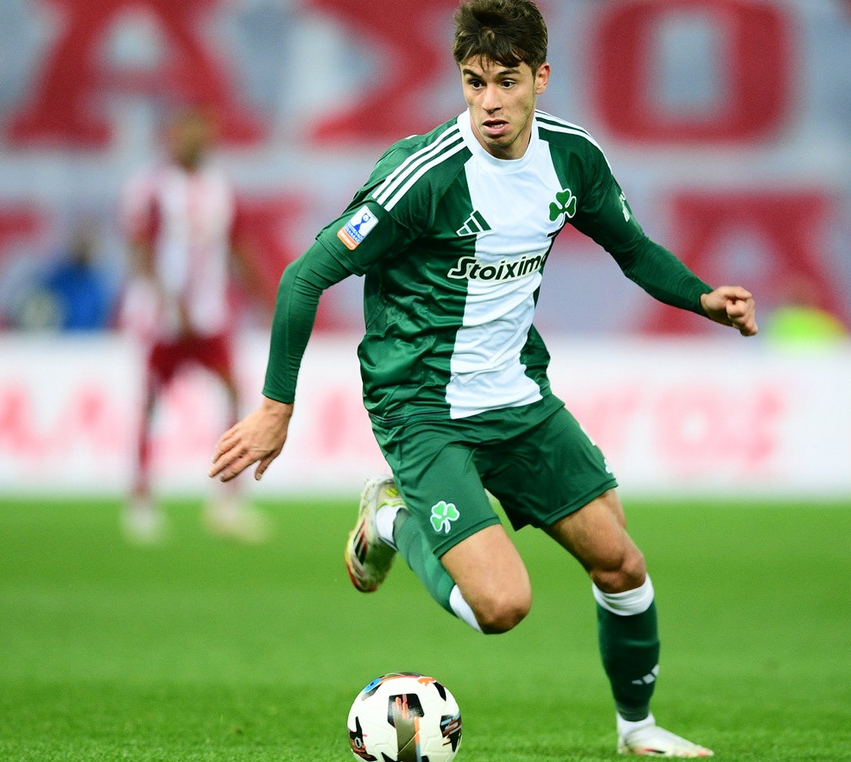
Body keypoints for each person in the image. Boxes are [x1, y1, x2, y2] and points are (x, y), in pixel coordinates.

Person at [210, 0, 756, 755]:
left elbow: (633, 250)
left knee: (620, 562)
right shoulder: (423, 177)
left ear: (541, 78)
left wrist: (702, 297)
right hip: (422, 405)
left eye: (507, 81)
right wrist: (276, 407)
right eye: (474, 82)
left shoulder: (572, 159)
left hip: (517, 397)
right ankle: (389, 519)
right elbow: (304, 277)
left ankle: (638, 729)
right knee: (502, 606)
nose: (490, 101)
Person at [120, 105, 270, 545]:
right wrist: (168, 301)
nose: (192, 141)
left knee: (233, 394)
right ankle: (141, 500)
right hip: (162, 318)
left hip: (209, 314)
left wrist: (264, 295)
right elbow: (140, 249)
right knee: (151, 401)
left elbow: (237, 245)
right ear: (172, 137)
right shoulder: (151, 187)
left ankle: (227, 503)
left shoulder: (220, 188)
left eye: (199, 134)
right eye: (184, 134)